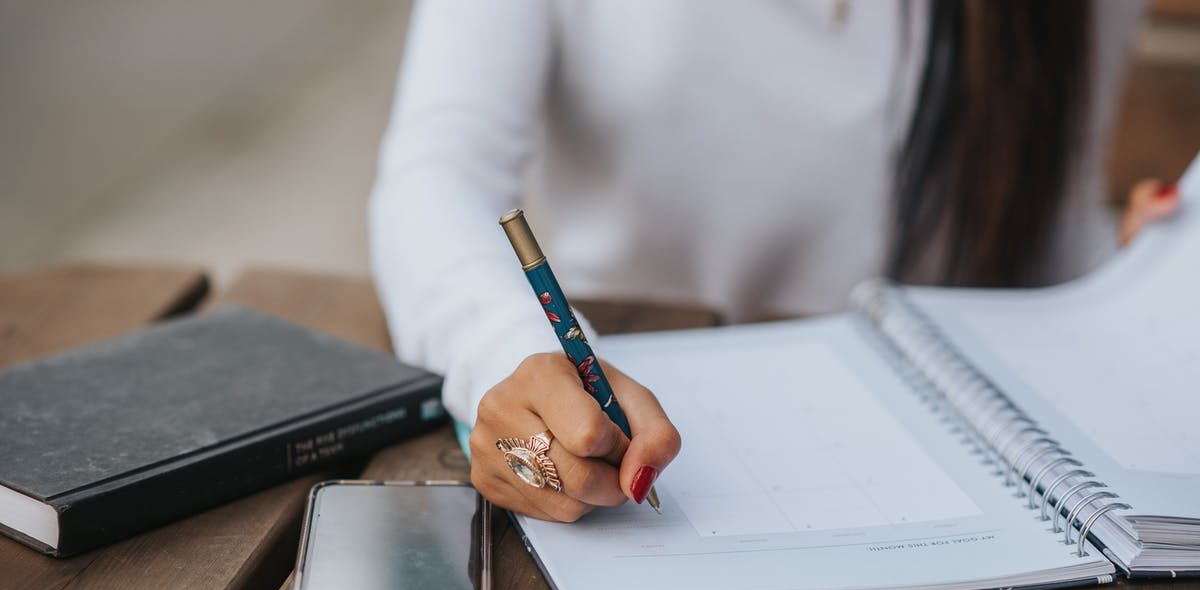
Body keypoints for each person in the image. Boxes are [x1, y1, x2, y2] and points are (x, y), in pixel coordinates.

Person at [367, 1, 1180, 522]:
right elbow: (436, 169)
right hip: (626, 411)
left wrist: (1138, 268)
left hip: (960, 476)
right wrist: (507, 352)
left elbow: (1042, 230)